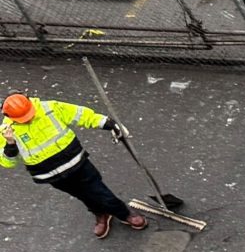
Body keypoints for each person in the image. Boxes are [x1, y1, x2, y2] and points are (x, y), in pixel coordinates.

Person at [1, 93, 146, 239]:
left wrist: (107, 123)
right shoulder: (6, 131)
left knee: (98, 190)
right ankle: (101, 213)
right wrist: (10, 145)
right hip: (52, 176)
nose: (29, 119)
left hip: (78, 164)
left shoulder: (49, 108)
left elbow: (81, 115)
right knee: (82, 195)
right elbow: (7, 162)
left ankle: (123, 213)